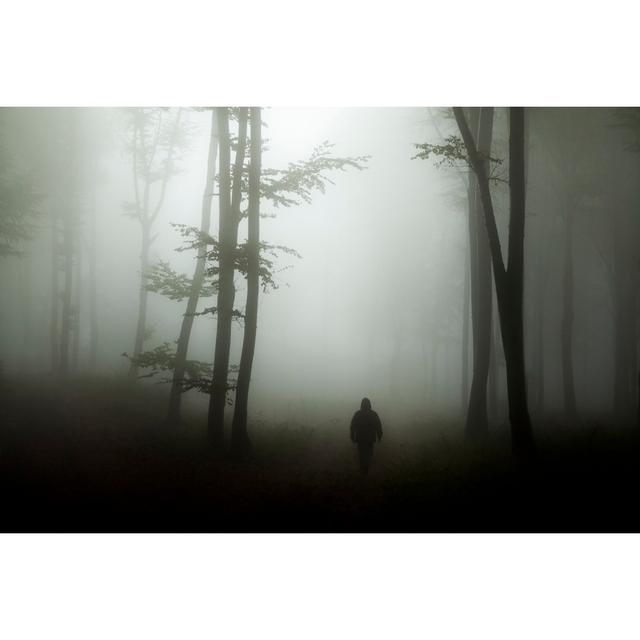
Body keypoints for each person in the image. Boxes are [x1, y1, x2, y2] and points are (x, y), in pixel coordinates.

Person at [350, 397, 383, 476]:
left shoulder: (357, 414)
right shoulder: (373, 414)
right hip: (370, 439)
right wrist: (379, 436)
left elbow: (352, 426)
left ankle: (362, 470)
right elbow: (378, 426)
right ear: (370, 405)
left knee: (361, 454)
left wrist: (352, 437)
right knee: (369, 454)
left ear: (361, 404)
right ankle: (366, 470)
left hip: (360, 439)